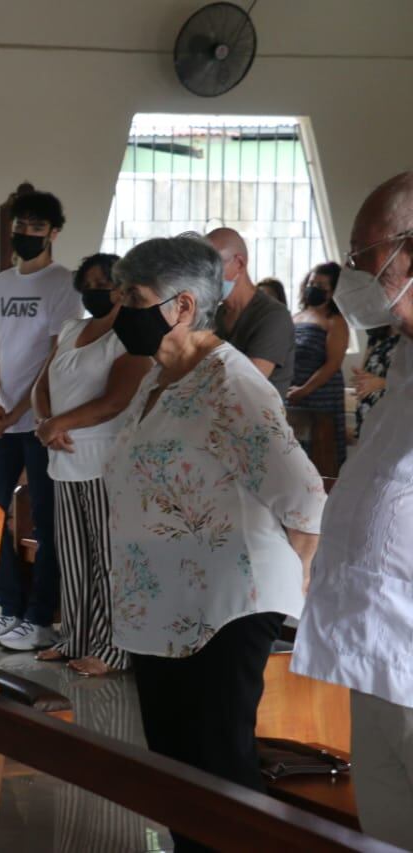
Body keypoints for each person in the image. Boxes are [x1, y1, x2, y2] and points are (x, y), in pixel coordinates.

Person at [103, 235, 324, 853]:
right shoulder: (161, 378)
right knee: (176, 769)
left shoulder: (232, 383)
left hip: (225, 607)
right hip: (165, 604)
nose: (120, 310)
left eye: (133, 297)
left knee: (219, 770)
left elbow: (305, 494)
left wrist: (292, 578)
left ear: (181, 306)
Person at [292, 172, 413, 850]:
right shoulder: (403, 357)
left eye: (365, 253)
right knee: (385, 830)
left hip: (408, 646)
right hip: (378, 650)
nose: (353, 272)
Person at [32, 253, 151, 675]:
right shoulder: (72, 329)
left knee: (108, 560)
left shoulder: (131, 335)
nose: (96, 291)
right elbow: (42, 384)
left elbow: (116, 400)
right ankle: (75, 639)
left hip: (106, 461)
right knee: (74, 558)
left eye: (106, 284)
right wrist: (46, 423)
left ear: (124, 289)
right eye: (89, 285)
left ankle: (113, 648)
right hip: (64, 458)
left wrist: (57, 424)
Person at [0, 189, 83, 651]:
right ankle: (10, 608)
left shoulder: (63, 283)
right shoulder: (2, 282)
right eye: (20, 226)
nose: (25, 233)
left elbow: (54, 356)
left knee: (46, 519)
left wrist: (20, 410)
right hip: (2, 422)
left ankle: (41, 618)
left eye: (36, 227)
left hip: (40, 422)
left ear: (53, 233)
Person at [207, 227, 297, 396]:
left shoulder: (273, 316)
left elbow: (246, 384)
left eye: (211, 267)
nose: (204, 276)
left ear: (239, 264)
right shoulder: (215, 315)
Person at [288, 262, 348, 466]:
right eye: (311, 283)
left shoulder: (335, 321)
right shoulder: (296, 317)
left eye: (321, 286)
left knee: (321, 458)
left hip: (320, 398)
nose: (313, 288)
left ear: (333, 292)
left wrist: (304, 390)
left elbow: (333, 364)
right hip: (293, 396)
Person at [354, 325, 399, 439]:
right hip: (369, 408)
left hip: (395, 410)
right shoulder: (376, 333)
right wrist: (362, 379)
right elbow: (365, 370)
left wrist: (381, 383)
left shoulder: (408, 336)